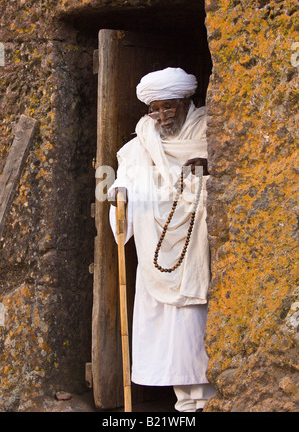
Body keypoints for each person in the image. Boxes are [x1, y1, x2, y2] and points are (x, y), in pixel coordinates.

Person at [108, 67, 216, 412]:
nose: (160, 116)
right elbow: (125, 174)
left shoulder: (209, 130)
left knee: (194, 323)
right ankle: (182, 400)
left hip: (196, 245)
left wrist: (205, 172)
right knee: (166, 328)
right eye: (154, 109)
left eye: (168, 107)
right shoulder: (143, 138)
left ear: (187, 101)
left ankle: (206, 398)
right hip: (156, 249)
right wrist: (120, 192)